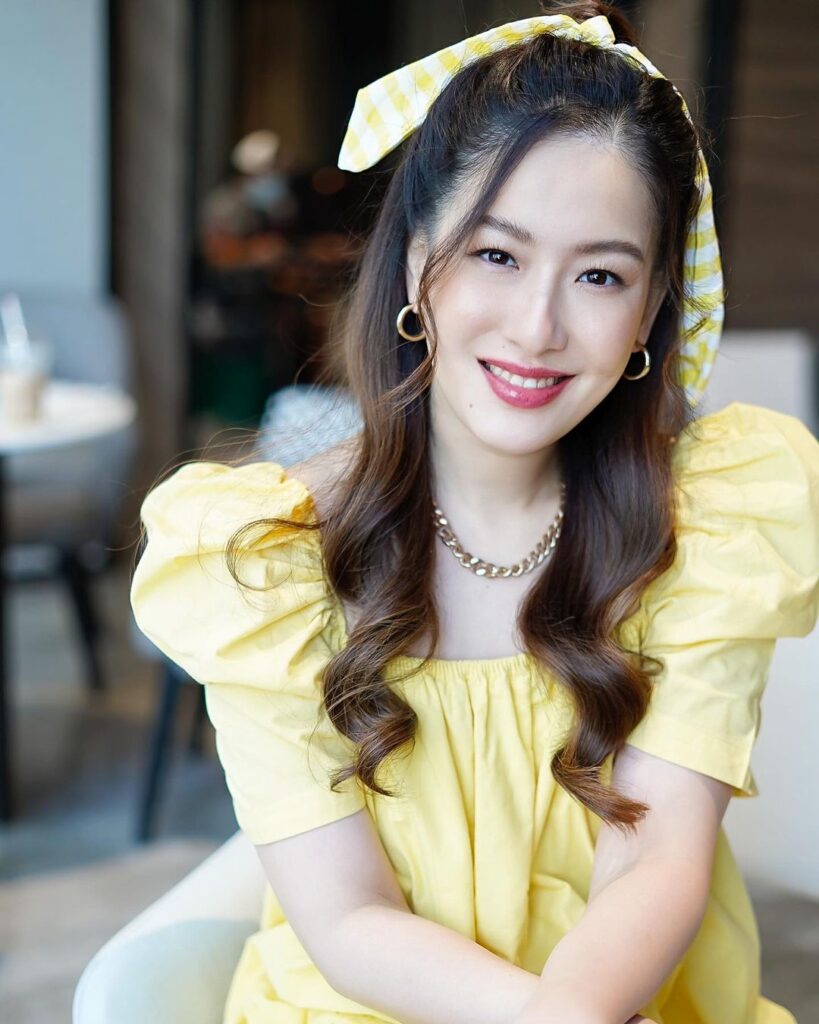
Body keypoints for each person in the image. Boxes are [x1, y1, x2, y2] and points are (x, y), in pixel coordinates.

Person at [130, 3, 819, 1022]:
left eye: (599, 275)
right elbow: (348, 920)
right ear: (418, 262)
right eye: (497, 255)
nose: (538, 327)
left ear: (649, 310)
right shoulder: (264, 558)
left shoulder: (713, 522)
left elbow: (656, 857)